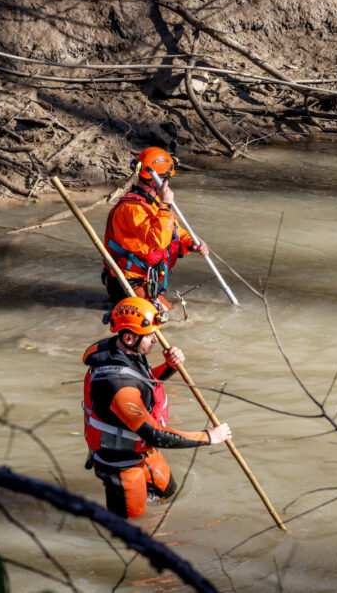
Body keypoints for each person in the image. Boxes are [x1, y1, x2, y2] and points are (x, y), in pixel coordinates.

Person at [82, 296, 232, 519]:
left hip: (139, 448)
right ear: (129, 337)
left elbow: (143, 382)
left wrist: (170, 366)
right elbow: (156, 436)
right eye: (150, 335)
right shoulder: (116, 385)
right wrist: (208, 437)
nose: (156, 339)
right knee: (132, 528)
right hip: (120, 464)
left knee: (167, 494)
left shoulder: (124, 351)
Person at [102, 146, 210, 305]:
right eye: (167, 179)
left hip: (147, 280)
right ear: (157, 180)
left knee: (170, 316)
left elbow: (173, 231)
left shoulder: (154, 204)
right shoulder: (132, 209)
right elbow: (158, 240)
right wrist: (166, 205)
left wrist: (192, 243)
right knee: (160, 322)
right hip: (127, 281)